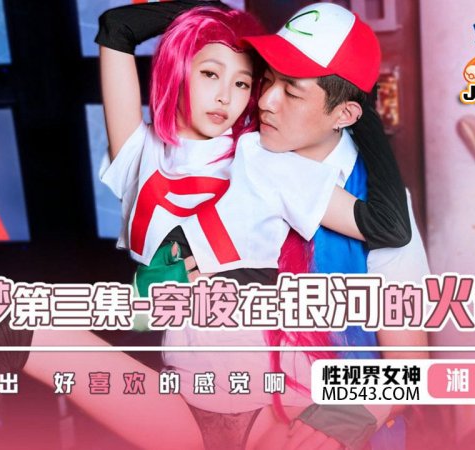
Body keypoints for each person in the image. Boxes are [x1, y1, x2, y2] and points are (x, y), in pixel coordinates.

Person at [96, 1, 418, 449]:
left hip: (317, 423)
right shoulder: (226, 160)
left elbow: (410, 370)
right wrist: (149, 295)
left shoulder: (375, 204)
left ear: (345, 114)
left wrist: (345, 414)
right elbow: (149, 312)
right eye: (267, 80)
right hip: (200, 400)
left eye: (292, 91)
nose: (263, 100)